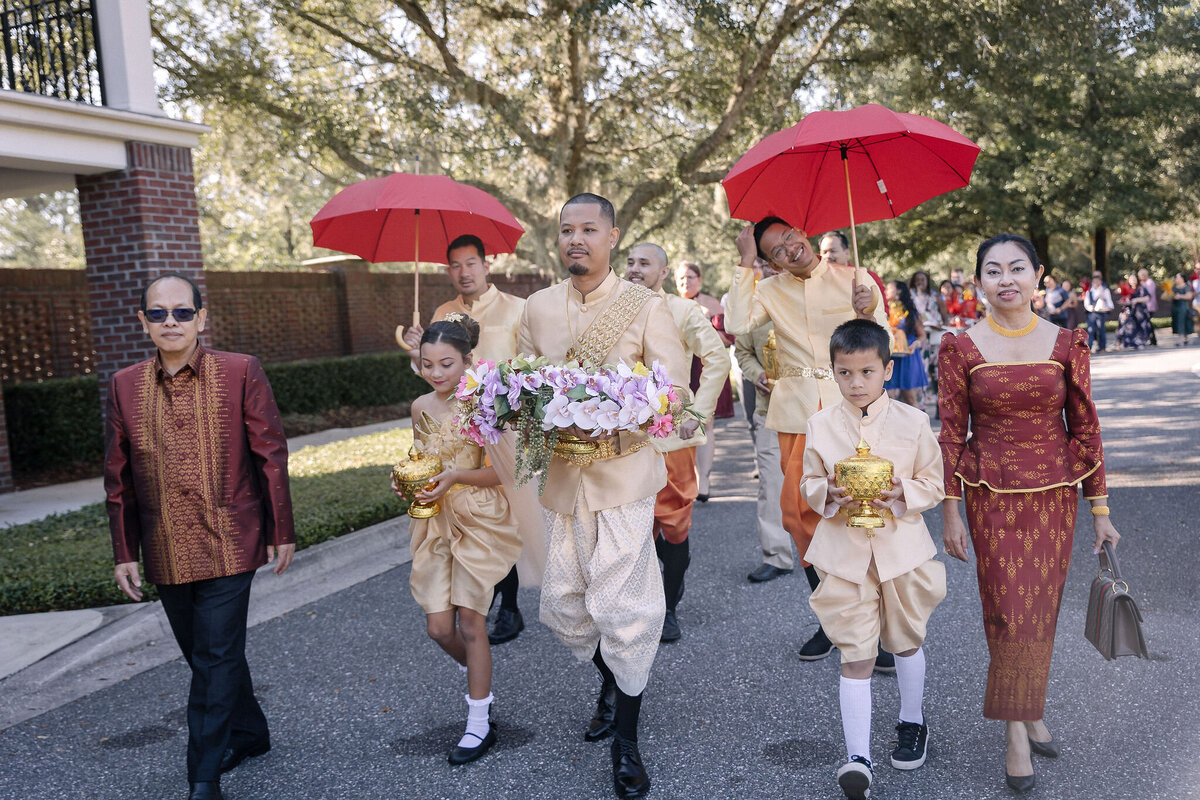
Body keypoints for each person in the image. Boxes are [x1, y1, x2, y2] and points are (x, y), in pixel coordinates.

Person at [518, 193, 690, 799]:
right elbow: (520, 387)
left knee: (625, 610)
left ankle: (627, 741)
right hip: (563, 482)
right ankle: (613, 681)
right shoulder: (536, 308)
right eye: (566, 229)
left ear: (613, 236)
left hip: (624, 481)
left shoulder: (646, 307)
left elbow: (673, 397)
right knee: (564, 607)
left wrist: (627, 416)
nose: (576, 239)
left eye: (589, 228)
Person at [939, 234, 1120, 793]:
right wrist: (949, 511)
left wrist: (1100, 509)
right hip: (989, 498)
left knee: (1038, 612)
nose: (1006, 279)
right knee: (1007, 612)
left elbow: (1085, 428)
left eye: (1017, 268)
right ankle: (1018, 734)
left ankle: (1029, 707)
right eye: (993, 271)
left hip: (1055, 498)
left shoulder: (1068, 343)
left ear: (1039, 276)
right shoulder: (960, 347)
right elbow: (949, 434)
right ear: (978, 284)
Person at [106, 273, 295, 800]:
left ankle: (202, 777)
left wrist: (282, 530)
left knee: (213, 656)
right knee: (208, 652)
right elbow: (117, 476)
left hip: (232, 538)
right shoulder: (124, 385)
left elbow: (270, 455)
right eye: (159, 313)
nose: (171, 322)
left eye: (182, 312)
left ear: (201, 318)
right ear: (143, 322)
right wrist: (125, 551)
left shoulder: (240, 372)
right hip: (165, 544)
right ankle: (251, 732)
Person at [726, 217, 893, 668]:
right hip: (798, 414)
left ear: (802, 232)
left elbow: (886, 343)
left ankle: (872, 630)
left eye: (789, 237)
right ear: (769, 260)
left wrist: (869, 314)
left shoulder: (854, 280)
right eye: (775, 250)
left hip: (853, 410)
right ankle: (832, 617)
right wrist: (745, 264)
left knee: (861, 514)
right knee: (801, 516)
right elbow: (738, 323)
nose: (788, 249)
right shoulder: (768, 290)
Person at [802, 319, 946, 800]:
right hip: (845, 555)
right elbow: (808, 484)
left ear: (888, 369)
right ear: (833, 373)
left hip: (902, 551)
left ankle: (912, 720)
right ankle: (857, 756)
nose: (856, 383)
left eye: (867, 371)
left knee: (905, 641)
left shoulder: (913, 422)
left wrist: (901, 490)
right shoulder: (820, 424)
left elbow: (934, 483)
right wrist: (829, 492)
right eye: (845, 373)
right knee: (855, 654)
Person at [398, 315, 523, 765]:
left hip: (480, 519)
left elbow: (503, 471)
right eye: (427, 364)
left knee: (472, 623)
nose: (436, 373)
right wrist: (409, 480)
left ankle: (478, 724)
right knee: (438, 628)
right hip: (434, 521)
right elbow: (421, 457)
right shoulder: (420, 407)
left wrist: (454, 477)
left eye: (446, 364)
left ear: (467, 361)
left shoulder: (485, 403)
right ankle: (478, 672)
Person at [402, 234, 536, 646]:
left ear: (486, 264)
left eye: (471, 263)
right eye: (456, 265)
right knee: (476, 515)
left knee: (506, 516)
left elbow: (530, 368)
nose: (464, 272)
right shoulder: (443, 312)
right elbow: (436, 377)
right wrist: (414, 352)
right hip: (458, 426)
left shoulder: (518, 309)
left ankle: (508, 605)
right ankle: (482, 603)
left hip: (502, 420)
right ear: (448, 271)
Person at [625, 243, 729, 643]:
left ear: (664, 272)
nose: (635, 269)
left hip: (671, 438)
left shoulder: (684, 311)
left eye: (644, 263)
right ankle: (644, 601)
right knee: (632, 524)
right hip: (623, 439)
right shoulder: (613, 310)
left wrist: (697, 414)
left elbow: (717, 359)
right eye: (630, 262)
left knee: (674, 524)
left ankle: (668, 609)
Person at [733, 259, 795, 584]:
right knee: (771, 483)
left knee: (823, 479)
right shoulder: (751, 306)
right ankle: (777, 555)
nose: (771, 267)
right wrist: (756, 374)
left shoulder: (809, 297)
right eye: (764, 261)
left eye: (776, 258)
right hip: (768, 408)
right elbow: (742, 352)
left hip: (813, 407)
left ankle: (831, 554)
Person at [674, 260, 733, 502]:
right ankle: (682, 477)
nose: (685, 282)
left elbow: (728, 339)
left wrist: (706, 323)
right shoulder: (669, 305)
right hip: (679, 367)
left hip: (704, 367)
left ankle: (704, 479)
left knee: (705, 422)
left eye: (690, 277)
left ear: (699, 279)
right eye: (680, 278)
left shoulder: (711, 303)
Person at [883, 280, 928, 408]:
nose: (885, 290)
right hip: (889, 356)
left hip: (907, 354)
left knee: (910, 398)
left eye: (889, 288)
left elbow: (922, 335)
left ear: (898, 291)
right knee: (888, 397)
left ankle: (919, 426)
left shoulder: (910, 313)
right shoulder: (883, 311)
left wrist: (916, 344)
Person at [1117, 271, 1152, 350]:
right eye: (1131, 279)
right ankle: (1128, 343)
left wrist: (1137, 300)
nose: (1133, 280)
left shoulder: (1141, 288)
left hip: (1139, 311)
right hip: (1128, 311)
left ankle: (1140, 343)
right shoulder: (1126, 289)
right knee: (1128, 326)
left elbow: (1147, 298)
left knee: (1141, 326)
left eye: (1134, 279)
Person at [1083, 270, 1114, 353]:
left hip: (1101, 313)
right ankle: (1088, 348)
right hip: (1092, 313)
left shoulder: (1105, 290)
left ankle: (1102, 348)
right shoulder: (1089, 292)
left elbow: (1109, 302)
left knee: (1101, 330)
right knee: (1090, 330)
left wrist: (1108, 308)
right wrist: (1091, 308)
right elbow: (1086, 304)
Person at [1171, 272, 1195, 345]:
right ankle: (1186, 339)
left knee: (1183, 322)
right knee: (1177, 322)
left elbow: (1189, 296)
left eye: (1177, 277)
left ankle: (1181, 340)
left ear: (1182, 278)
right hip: (1175, 307)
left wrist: (1180, 296)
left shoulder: (1186, 286)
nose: (1176, 279)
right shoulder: (1174, 287)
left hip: (1183, 307)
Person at [1139, 268, 1159, 346]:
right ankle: (1151, 340)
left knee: (1148, 323)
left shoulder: (1150, 282)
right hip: (1143, 306)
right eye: (1141, 275)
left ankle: (1152, 340)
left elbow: (1149, 295)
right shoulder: (1141, 283)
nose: (1142, 276)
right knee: (1147, 323)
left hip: (1149, 306)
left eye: (1143, 274)